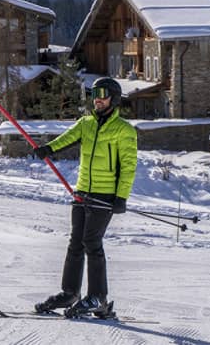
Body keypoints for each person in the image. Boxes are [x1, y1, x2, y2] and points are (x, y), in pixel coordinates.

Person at [32, 77, 137, 318]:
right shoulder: (85, 124)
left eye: (102, 93)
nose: (97, 99)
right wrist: (48, 148)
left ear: (114, 97)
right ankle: (70, 293)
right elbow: (65, 139)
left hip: (105, 196)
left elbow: (129, 166)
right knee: (76, 242)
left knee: (92, 242)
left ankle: (98, 298)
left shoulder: (124, 130)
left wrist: (121, 197)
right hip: (82, 192)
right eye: (94, 94)